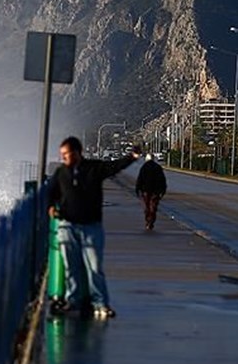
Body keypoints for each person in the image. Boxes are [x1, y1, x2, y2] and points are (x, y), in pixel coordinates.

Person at [47, 136, 139, 318]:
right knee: (70, 267)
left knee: (94, 267)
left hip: (91, 226)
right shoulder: (61, 173)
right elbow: (51, 192)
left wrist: (132, 157)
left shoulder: (93, 169)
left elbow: (114, 166)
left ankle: (100, 304)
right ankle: (72, 301)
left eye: (66, 154)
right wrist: (50, 207)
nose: (64, 157)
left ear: (76, 152)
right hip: (68, 226)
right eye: (62, 155)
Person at [134, 153, 167, 230]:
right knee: (153, 207)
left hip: (146, 191)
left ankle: (148, 221)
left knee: (147, 207)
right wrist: (162, 190)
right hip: (155, 191)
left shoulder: (144, 167)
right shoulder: (158, 167)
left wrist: (137, 189)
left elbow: (140, 179)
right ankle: (151, 222)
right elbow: (162, 180)